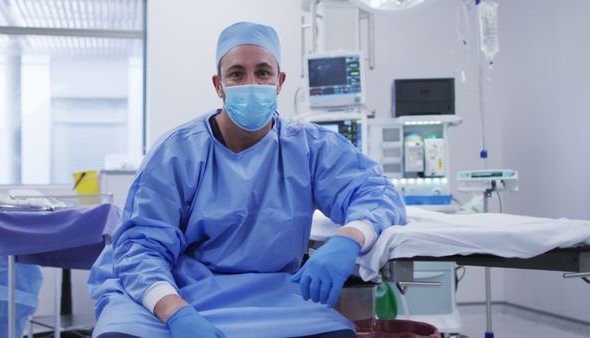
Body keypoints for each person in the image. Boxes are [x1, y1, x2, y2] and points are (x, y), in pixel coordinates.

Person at [88, 21, 406, 338]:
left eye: (263, 72)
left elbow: (375, 193)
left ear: (279, 81)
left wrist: (349, 238)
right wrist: (175, 312)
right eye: (237, 74)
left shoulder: (309, 147)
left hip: (271, 296)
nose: (251, 83)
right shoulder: (178, 152)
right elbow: (142, 247)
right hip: (174, 289)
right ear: (219, 84)